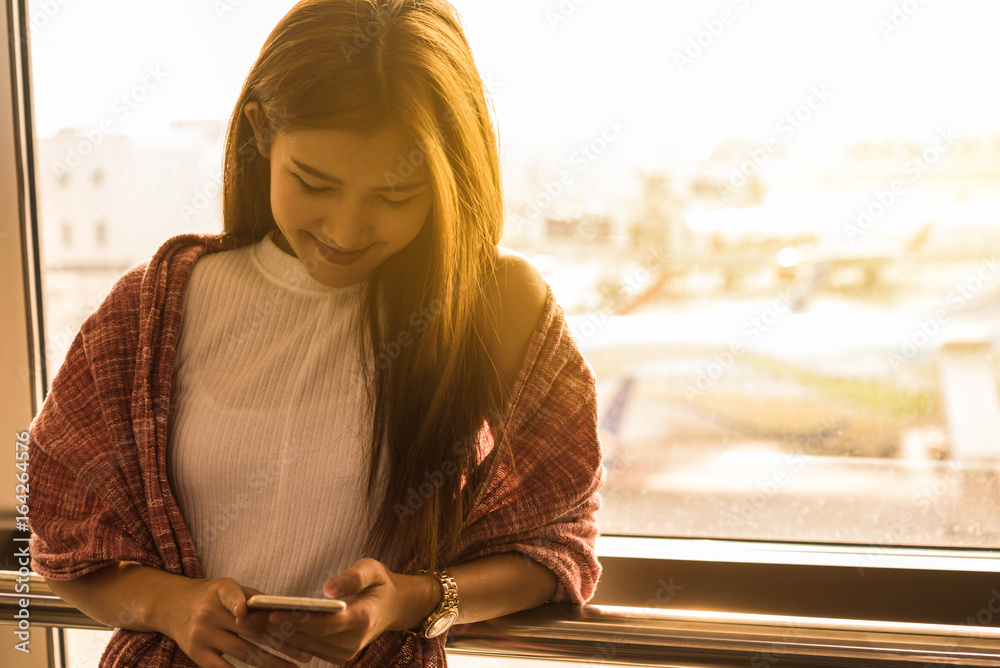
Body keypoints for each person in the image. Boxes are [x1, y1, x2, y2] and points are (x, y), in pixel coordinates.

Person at [26, 1, 605, 666]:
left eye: (395, 196)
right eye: (315, 183)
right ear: (261, 133)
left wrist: (409, 600)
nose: (347, 231)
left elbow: (556, 544)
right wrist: (173, 607)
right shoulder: (157, 309)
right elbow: (63, 531)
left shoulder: (494, 307)